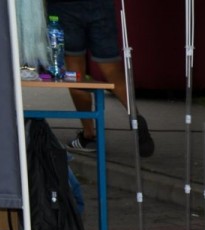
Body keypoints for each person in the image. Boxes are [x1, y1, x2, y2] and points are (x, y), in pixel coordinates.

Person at [44, 0, 155, 157]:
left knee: (75, 72)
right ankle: (135, 116)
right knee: (112, 69)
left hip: (65, 7)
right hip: (101, 5)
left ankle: (89, 134)